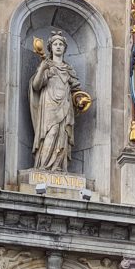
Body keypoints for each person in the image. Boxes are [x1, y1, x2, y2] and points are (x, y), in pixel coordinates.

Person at [29, 33, 82, 171]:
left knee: (62, 134)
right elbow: (36, 86)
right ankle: (44, 166)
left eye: (61, 44)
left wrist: (80, 100)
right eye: (55, 44)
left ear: (64, 48)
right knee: (52, 132)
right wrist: (42, 69)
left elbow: (76, 90)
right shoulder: (47, 65)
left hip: (65, 104)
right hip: (49, 104)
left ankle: (58, 166)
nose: (58, 47)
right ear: (51, 48)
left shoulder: (68, 69)